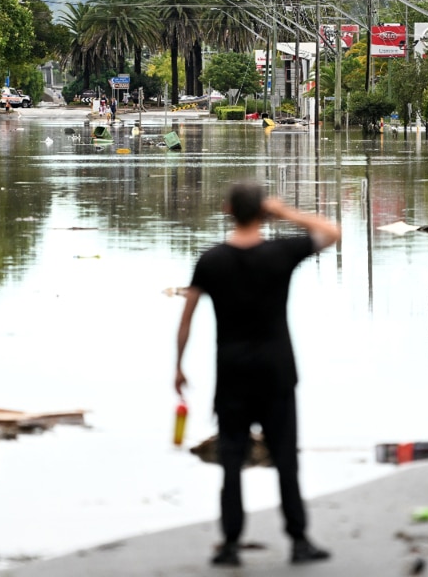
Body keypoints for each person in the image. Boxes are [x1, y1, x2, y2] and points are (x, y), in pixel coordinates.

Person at [175, 182, 340, 567]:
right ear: (263, 212)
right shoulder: (281, 252)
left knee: (231, 458)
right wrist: (285, 213)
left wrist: (178, 366)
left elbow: (186, 319)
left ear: (227, 210)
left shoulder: (211, 260)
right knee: (285, 456)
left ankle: (230, 544)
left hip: (232, 372)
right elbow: (332, 233)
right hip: (277, 371)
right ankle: (298, 541)